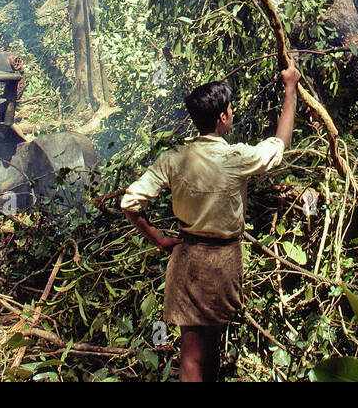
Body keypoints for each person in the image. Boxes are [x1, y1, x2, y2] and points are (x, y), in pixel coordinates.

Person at [121, 63, 301, 382]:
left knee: (191, 354)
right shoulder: (235, 158)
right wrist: (290, 89)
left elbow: (130, 202)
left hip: (187, 259)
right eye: (230, 109)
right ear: (222, 118)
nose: (231, 113)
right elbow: (280, 143)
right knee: (209, 348)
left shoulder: (174, 158)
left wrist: (159, 239)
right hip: (224, 261)